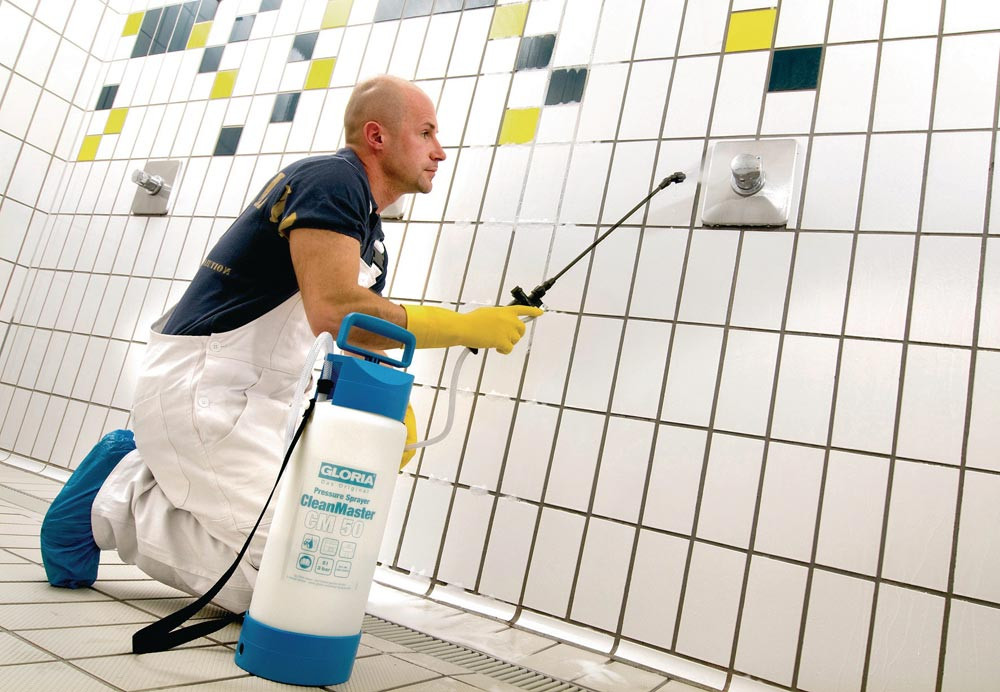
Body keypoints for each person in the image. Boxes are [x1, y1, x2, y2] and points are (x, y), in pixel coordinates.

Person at [40, 75, 542, 612]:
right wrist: (463, 326)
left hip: (260, 403)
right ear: (377, 136)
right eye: (426, 133)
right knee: (296, 580)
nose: (439, 151)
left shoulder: (368, 232)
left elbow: (356, 333)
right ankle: (115, 498)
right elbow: (336, 310)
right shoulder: (332, 181)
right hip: (206, 391)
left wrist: (395, 416)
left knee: (323, 554)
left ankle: (144, 476)